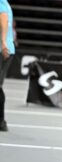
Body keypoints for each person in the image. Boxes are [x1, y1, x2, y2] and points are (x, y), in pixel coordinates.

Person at [0, 0, 15, 132]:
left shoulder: (1, 3)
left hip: (2, 49)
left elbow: (3, 20)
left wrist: (3, 43)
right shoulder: (6, 3)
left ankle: (1, 121)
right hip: (7, 48)